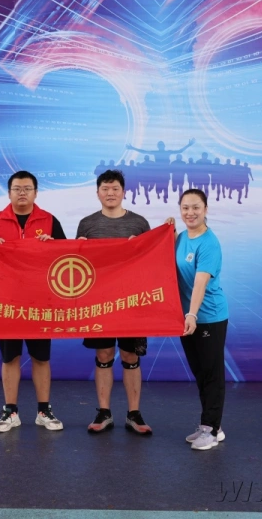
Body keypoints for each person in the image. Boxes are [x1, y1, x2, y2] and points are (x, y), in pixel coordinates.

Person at [0, 171, 67, 433]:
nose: (22, 193)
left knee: (41, 357)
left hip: (39, 302)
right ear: (8, 193)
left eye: (27, 188)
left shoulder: (49, 220)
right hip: (6, 303)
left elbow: (66, 258)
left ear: (36, 193)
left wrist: (52, 245)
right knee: (10, 358)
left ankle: (44, 410)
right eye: (17, 188)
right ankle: (10, 411)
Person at [75, 170, 153, 435]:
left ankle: (134, 414)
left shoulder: (139, 223)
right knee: (104, 354)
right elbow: (79, 266)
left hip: (131, 301)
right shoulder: (87, 224)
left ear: (124, 192)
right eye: (105, 189)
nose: (110, 193)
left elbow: (151, 261)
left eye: (115, 188)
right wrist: (79, 248)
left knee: (131, 355)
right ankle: (103, 412)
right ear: (97, 193)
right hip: (99, 301)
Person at [164, 189, 229, 450]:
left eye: (196, 207)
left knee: (212, 374)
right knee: (201, 373)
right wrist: (166, 234)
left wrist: (191, 314)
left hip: (209, 317)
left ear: (206, 209)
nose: (190, 213)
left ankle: (210, 430)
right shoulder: (181, 237)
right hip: (187, 318)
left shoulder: (209, 243)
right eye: (185, 208)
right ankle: (212, 424)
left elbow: (200, 283)